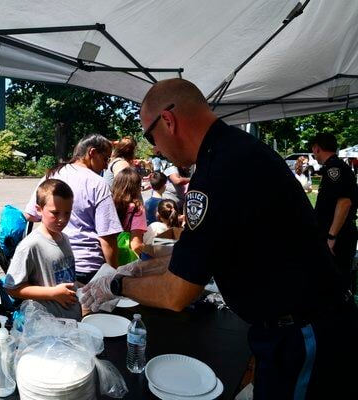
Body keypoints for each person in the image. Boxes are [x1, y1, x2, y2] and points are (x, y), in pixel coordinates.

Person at [81, 78, 358, 399]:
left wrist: (116, 284)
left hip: (304, 331)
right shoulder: (232, 152)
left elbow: (178, 292)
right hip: (295, 328)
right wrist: (138, 268)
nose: (154, 147)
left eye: (150, 135)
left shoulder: (219, 169)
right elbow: (193, 253)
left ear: (168, 121)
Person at [24, 134, 122, 284]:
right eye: (105, 159)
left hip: (51, 264)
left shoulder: (52, 175)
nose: (106, 166)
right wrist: (114, 276)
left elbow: (31, 215)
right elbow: (107, 238)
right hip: (86, 268)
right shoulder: (98, 183)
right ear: (92, 152)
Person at [4, 179, 81, 320]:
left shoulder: (65, 238)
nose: (62, 219)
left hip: (71, 320)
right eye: (55, 213)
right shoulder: (30, 246)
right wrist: (52, 293)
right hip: (47, 325)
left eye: (67, 213)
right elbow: (11, 288)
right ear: (39, 209)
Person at [311, 133, 358, 292]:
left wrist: (331, 237)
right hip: (338, 234)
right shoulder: (335, 167)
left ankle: (341, 314)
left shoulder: (334, 169)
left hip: (338, 236)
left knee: (336, 282)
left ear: (317, 148)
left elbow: (344, 203)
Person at [112, 167, 147, 258]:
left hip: (109, 257)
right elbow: (136, 245)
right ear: (135, 188)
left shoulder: (109, 204)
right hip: (127, 262)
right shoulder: (136, 209)